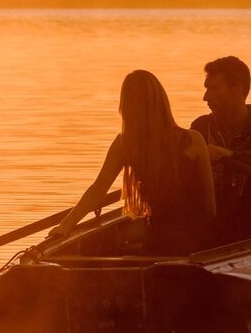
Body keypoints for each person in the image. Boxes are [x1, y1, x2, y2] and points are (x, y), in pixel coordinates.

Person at [49, 70, 216, 255]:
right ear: (161, 101)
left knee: (105, 246)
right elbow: (209, 206)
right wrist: (65, 225)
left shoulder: (126, 144)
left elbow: (98, 189)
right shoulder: (194, 139)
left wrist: (66, 225)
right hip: (191, 238)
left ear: (126, 106)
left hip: (172, 239)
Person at [190, 56, 251, 243]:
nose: (205, 97)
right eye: (206, 88)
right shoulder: (200, 127)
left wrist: (229, 155)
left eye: (213, 89)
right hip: (213, 217)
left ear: (238, 89)